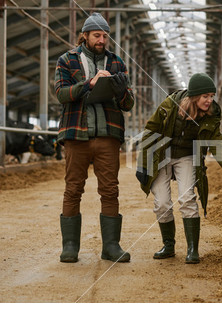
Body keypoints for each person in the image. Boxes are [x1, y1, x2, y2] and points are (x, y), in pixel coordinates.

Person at [136, 73, 222, 264]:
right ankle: (169, 246)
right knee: (162, 203)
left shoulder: (212, 113)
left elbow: (215, 142)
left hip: (188, 156)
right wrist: (143, 164)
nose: (210, 100)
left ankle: (192, 249)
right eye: (205, 96)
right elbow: (151, 130)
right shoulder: (171, 104)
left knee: (186, 198)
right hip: (162, 155)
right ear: (194, 96)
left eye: (212, 96)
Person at [54, 13, 134, 263]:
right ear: (85, 35)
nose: (102, 40)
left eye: (105, 36)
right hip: (76, 134)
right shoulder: (67, 60)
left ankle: (111, 246)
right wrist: (90, 84)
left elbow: (128, 104)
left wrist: (122, 92)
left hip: (108, 135)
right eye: (97, 35)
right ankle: (70, 246)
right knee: (73, 188)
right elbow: (61, 93)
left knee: (110, 190)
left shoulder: (117, 62)